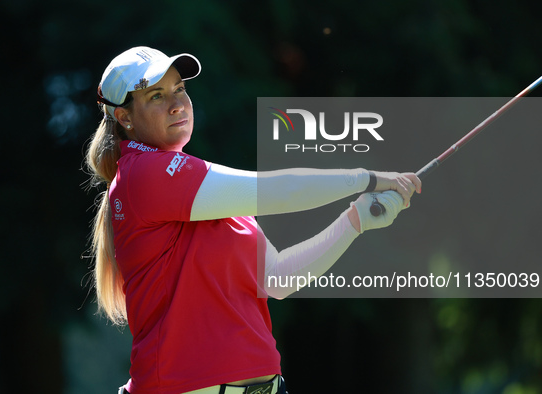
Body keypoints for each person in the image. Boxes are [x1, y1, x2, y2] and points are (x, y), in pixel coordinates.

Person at [85, 46, 421, 394]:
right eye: (156, 95)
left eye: (179, 89)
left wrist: (355, 221)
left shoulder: (206, 188)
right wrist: (367, 178)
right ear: (125, 117)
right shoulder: (143, 173)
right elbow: (282, 191)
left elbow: (277, 278)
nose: (176, 103)